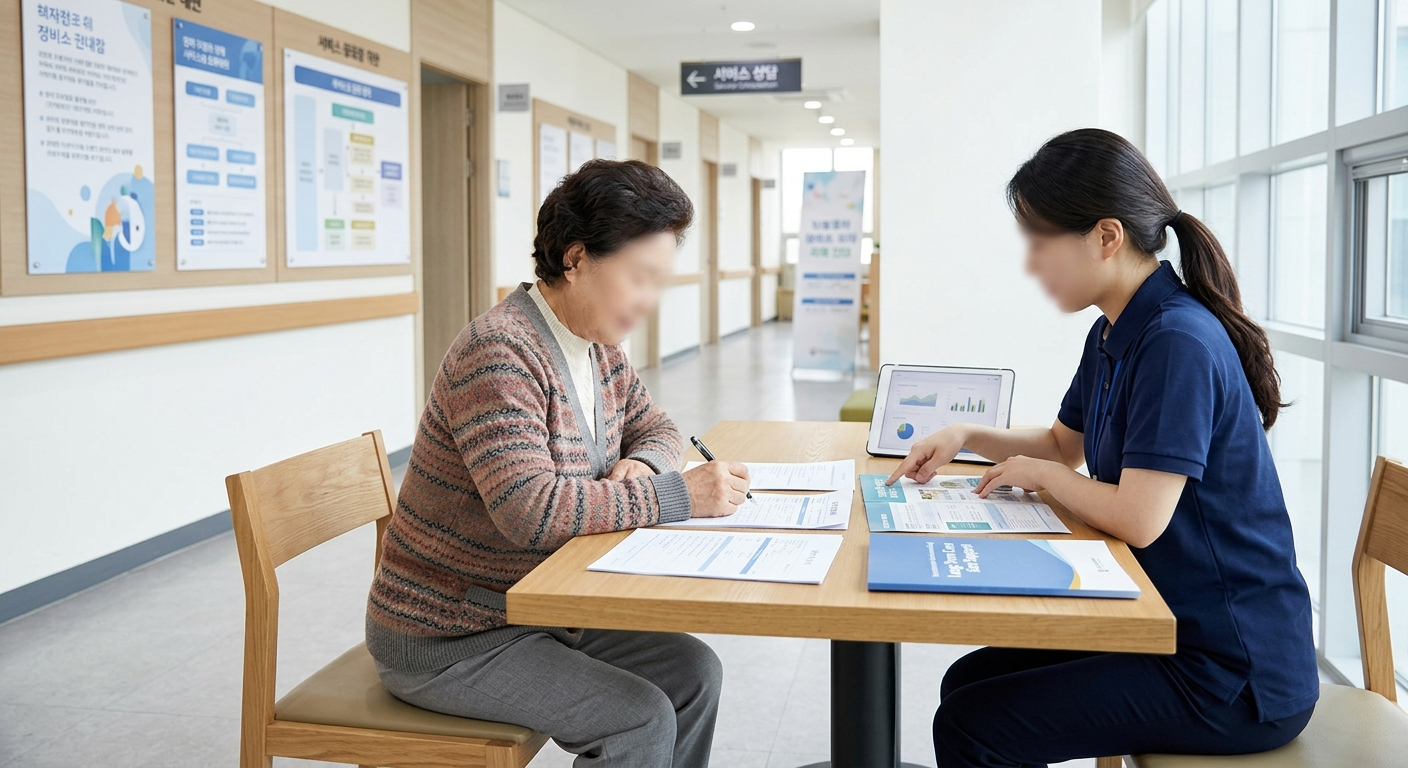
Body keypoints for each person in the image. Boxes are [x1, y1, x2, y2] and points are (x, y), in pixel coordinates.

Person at [888, 129, 1318, 767]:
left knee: (974, 725)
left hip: (1233, 672)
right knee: (967, 683)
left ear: (1106, 236)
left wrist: (1041, 476)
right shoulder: (1117, 329)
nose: (1031, 264)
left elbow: (1139, 519)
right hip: (1165, 626)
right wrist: (965, 436)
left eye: (1039, 243)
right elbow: (1064, 446)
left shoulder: (1178, 341)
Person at [365, 159, 751, 768]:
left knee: (694, 671)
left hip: (539, 606)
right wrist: (679, 494)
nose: (649, 301)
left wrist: (647, 468)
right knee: (638, 718)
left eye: (659, 281)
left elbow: (657, 426)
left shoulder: (597, 345)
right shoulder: (500, 351)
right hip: (453, 634)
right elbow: (531, 511)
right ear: (575, 259)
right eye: (639, 277)